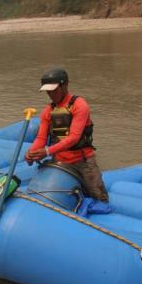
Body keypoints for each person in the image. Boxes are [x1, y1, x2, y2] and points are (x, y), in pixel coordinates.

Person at [25, 67, 109, 202]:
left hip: (82, 161)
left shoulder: (79, 105)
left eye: (54, 90)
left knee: (99, 196)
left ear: (65, 85)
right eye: (48, 91)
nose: (51, 94)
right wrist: (31, 154)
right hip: (59, 160)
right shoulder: (47, 111)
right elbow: (41, 138)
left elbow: (74, 138)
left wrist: (47, 151)